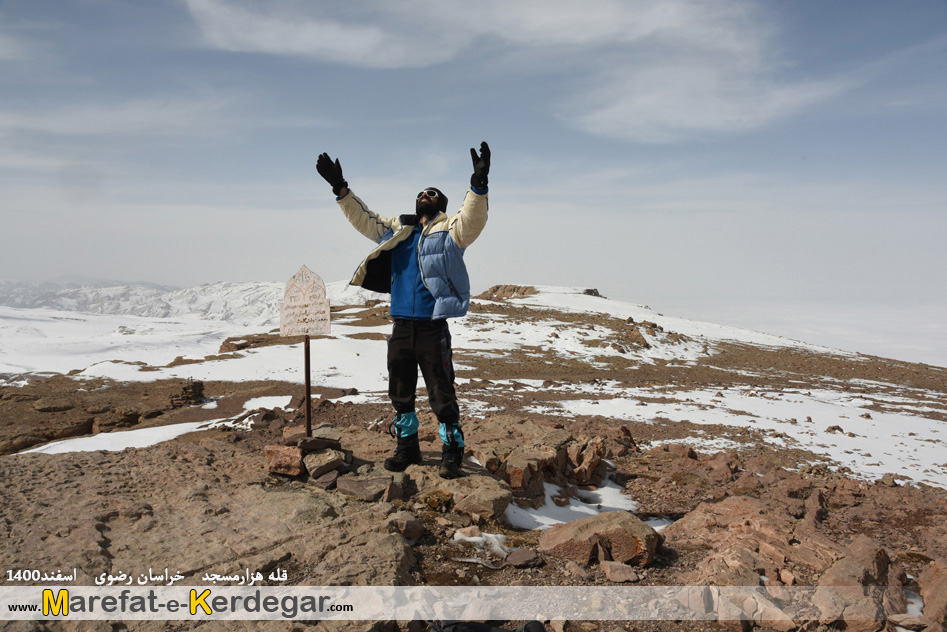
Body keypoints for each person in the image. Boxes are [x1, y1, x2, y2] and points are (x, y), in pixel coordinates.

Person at [316, 142, 491, 479]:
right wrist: (341, 189)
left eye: (432, 193)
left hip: (431, 327)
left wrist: (478, 187)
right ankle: (407, 445)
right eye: (421, 192)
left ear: (441, 203)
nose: (425, 195)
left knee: (441, 391)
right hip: (401, 325)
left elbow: (473, 220)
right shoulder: (399, 229)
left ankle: (452, 451)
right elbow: (365, 220)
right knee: (400, 389)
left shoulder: (450, 230)